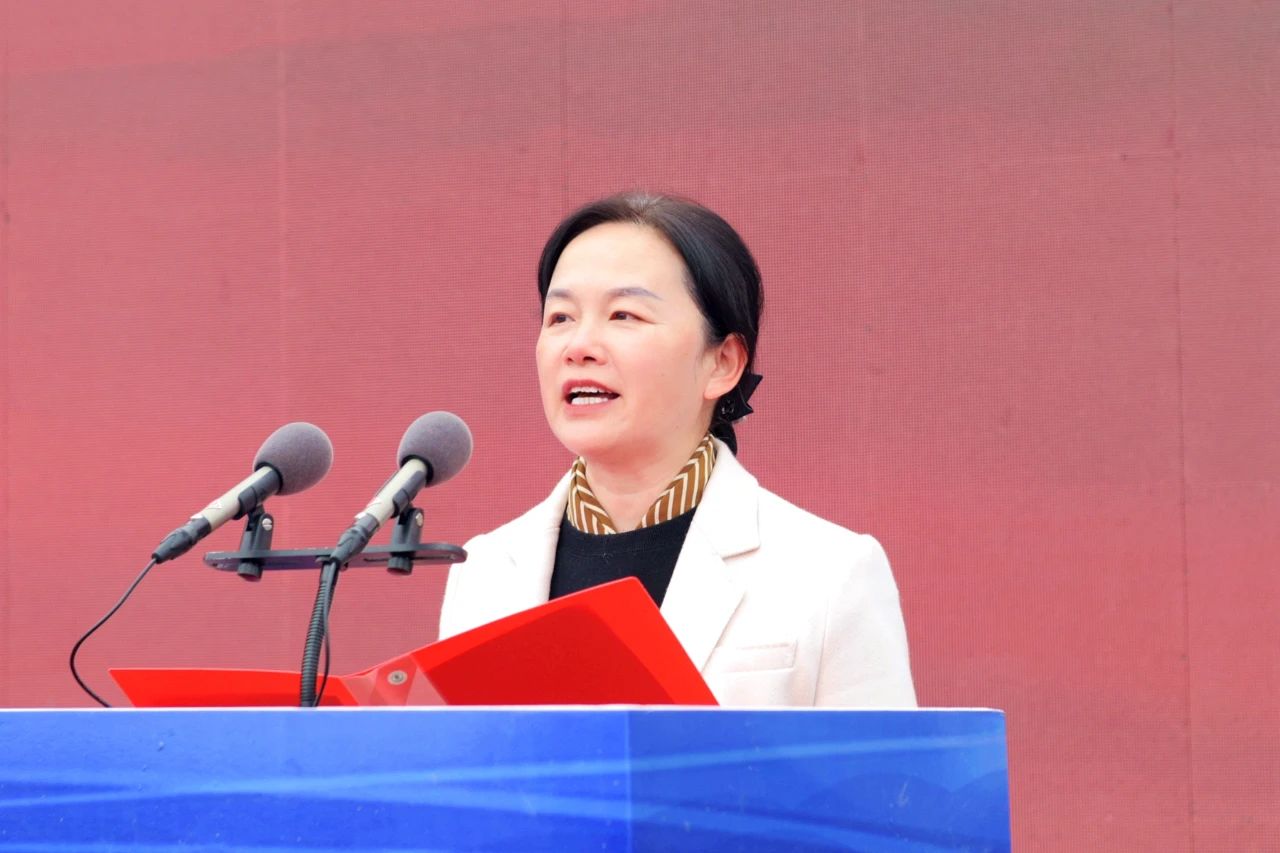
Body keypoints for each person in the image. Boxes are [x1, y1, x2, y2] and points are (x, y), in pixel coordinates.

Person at [439, 191, 916, 707]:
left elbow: (877, 764)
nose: (578, 346)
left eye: (624, 315)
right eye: (560, 318)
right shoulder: (485, 570)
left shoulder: (830, 572)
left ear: (722, 363)